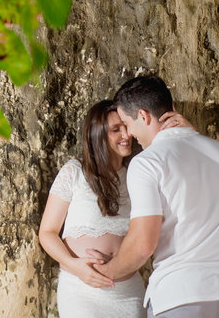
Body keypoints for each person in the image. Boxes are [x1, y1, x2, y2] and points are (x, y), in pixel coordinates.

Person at [95, 75, 219, 318]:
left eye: (127, 123)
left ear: (143, 116)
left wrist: (107, 272)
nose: (130, 134)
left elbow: (143, 245)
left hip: (181, 296)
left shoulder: (147, 163)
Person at [39, 99, 193, 318]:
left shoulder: (138, 174)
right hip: (81, 290)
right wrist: (75, 266)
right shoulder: (74, 172)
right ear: (98, 135)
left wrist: (187, 133)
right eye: (115, 130)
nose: (126, 135)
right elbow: (47, 232)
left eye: (126, 127)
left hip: (128, 293)